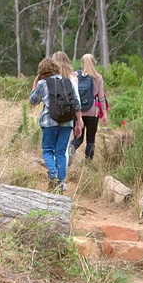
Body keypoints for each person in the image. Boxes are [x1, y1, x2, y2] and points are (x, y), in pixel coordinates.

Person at [30, 58, 83, 193]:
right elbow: (76, 103)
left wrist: (35, 83)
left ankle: (53, 175)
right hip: (67, 122)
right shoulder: (67, 81)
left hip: (49, 122)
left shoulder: (43, 83)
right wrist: (79, 122)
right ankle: (61, 182)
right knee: (60, 152)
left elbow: (33, 101)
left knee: (48, 151)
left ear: (42, 71)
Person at [69, 53, 108, 160]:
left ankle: (72, 147)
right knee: (91, 139)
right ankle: (88, 163)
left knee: (78, 137)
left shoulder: (74, 75)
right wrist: (104, 113)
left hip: (78, 112)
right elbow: (101, 97)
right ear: (94, 62)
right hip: (93, 112)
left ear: (82, 62)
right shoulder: (98, 77)